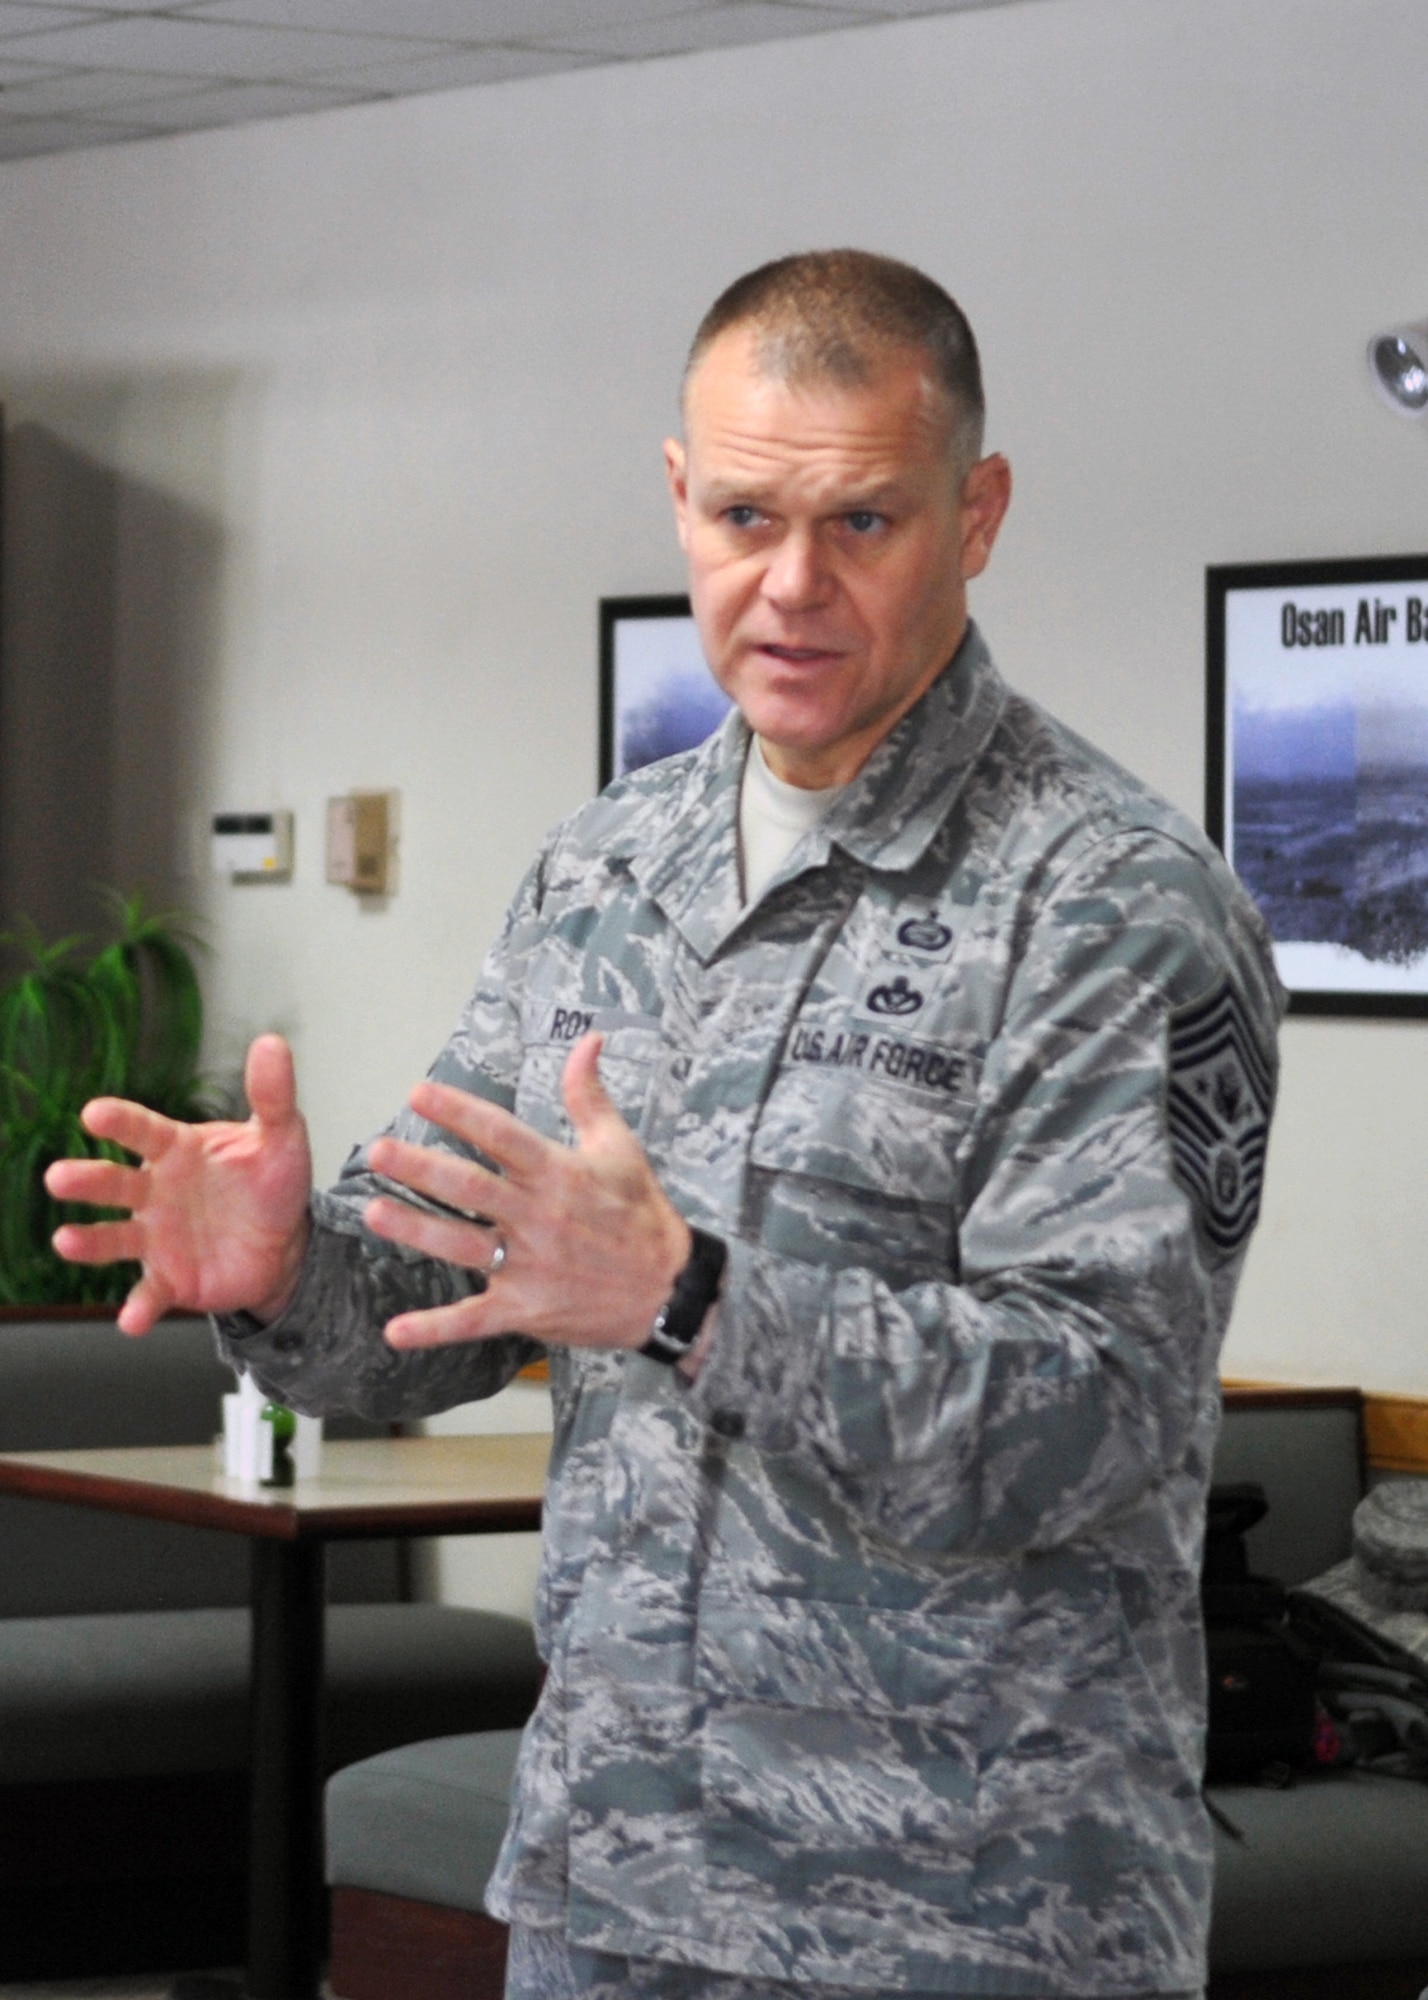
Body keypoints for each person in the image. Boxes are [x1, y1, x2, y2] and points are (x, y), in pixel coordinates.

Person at [46, 250, 1283, 2000]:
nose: (789, 586)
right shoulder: (608, 866)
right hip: (614, 1889)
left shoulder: (1114, 906)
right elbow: (440, 1313)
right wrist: (284, 1279)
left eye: (863, 523)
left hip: (974, 1919)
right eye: (743, 517)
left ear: (978, 513)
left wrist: (690, 1296)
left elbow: (1099, 1414)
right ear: (678, 495)